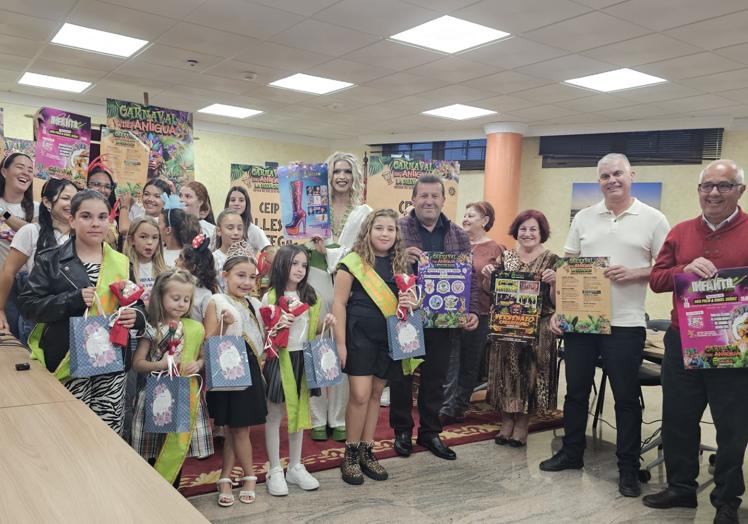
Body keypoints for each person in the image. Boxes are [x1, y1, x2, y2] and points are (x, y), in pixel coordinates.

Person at [539, 153, 670, 499]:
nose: (612, 180)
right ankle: (571, 453)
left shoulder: (654, 219)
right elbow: (570, 268)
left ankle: (628, 468)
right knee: (576, 393)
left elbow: (669, 270)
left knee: (626, 399)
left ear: (632, 175)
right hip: (582, 323)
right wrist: (559, 309)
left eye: (618, 174)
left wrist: (636, 272)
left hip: (626, 325)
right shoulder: (583, 217)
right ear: (599, 180)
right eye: (605, 176)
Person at [644, 159, 748, 523]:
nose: (714, 193)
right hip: (682, 342)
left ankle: (727, 500)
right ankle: (681, 488)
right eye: (707, 186)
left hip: (733, 346)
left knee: (732, 426)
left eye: (724, 186)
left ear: (740, 191)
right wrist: (681, 272)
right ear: (699, 191)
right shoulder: (681, 231)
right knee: (678, 419)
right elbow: (656, 278)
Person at [18, 190, 146, 434]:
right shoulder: (50, 260)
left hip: (110, 360)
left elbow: (136, 304)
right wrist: (72, 299)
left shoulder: (120, 261)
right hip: (67, 358)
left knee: (107, 432)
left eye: (101, 217)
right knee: (69, 430)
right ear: (72, 220)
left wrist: (136, 317)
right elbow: (28, 305)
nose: (95, 223)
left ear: (109, 220)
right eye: (86, 216)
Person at [390, 174, 480, 461]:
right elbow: (378, 263)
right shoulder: (397, 229)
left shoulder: (458, 234)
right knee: (402, 376)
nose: (429, 201)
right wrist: (401, 257)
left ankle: (430, 432)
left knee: (435, 376)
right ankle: (402, 430)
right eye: (423, 196)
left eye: (435, 196)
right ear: (413, 199)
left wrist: (472, 310)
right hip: (405, 314)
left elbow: (470, 277)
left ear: (443, 199)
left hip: (443, 319)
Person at [333, 209, 415, 485]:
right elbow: (339, 304)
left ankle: (368, 451)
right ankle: (351, 455)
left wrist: (411, 303)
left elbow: (412, 302)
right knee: (359, 394)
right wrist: (340, 344)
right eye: (378, 228)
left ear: (396, 234)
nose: (384, 234)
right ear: (367, 231)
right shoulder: (352, 263)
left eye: (390, 229)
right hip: (358, 336)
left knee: (376, 393)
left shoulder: (401, 264)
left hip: (388, 339)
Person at [308, 152, 373, 442]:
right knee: (316, 344)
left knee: (343, 347)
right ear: (328, 176)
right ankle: (318, 417)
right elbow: (302, 243)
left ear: (355, 176)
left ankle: (338, 417)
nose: (342, 176)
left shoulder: (364, 212)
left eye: (347, 171)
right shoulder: (311, 207)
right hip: (315, 279)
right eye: (336, 171)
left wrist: (331, 252)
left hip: (348, 283)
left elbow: (362, 249)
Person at [261, 245, 336, 496]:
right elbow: (264, 335)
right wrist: (278, 326)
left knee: (300, 412)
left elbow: (311, 331)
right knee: (274, 415)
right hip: (278, 359)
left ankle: (295, 465)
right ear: (282, 264)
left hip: (303, 358)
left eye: (304, 265)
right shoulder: (270, 296)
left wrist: (326, 324)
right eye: (295, 264)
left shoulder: (311, 296)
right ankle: (274, 469)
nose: (300, 270)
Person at [130, 269, 213, 487]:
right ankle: (150, 491)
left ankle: (173, 491)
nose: (181, 304)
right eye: (175, 298)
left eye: (186, 299)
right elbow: (137, 363)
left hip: (185, 396)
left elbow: (203, 356)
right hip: (156, 395)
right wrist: (161, 364)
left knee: (177, 447)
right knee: (154, 447)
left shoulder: (195, 328)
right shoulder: (152, 328)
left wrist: (198, 364)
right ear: (160, 296)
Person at [483, 210, 558, 447]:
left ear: (541, 232)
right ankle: (506, 422)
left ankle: (523, 424)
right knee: (506, 374)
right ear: (516, 231)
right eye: (523, 229)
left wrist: (555, 281)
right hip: (507, 326)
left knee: (531, 375)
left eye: (533, 229)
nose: (527, 234)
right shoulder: (506, 257)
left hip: (539, 327)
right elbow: (490, 290)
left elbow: (558, 302)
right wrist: (487, 275)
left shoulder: (552, 260)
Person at [205, 245, 267, 507]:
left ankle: (225, 476)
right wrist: (225, 323)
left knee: (235, 428)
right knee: (239, 428)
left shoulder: (253, 303)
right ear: (225, 275)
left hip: (251, 369)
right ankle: (250, 476)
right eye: (240, 275)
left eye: (252, 277)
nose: (247, 282)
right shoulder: (216, 301)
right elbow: (209, 342)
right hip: (228, 369)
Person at [440, 201, 504, 425]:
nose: (465, 219)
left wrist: (491, 274)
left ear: (485, 221)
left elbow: (502, 286)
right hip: (451, 310)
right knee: (450, 359)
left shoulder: (496, 249)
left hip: (481, 311)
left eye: (471, 216)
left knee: (470, 361)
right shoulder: (454, 243)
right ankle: (445, 407)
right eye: (464, 215)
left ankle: (459, 406)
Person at [0, 179, 76, 343]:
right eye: (65, 198)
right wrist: (0, 309)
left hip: (71, 315)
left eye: (76, 199)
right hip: (37, 316)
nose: (72, 203)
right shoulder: (32, 231)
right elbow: (8, 271)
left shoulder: (81, 236)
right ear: (47, 202)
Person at [0, 152, 39, 338]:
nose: (26, 173)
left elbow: (32, 231)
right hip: (3, 282)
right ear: (4, 171)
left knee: (26, 339)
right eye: (20, 167)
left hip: (29, 285)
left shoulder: (38, 208)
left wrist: (4, 214)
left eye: (30, 170)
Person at [124, 216, 167, 306]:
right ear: (131, 240)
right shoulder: (124, 268)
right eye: (143, 237)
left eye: (155, 237)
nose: (150, 242)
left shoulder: (165, 270)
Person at [178, 234, 219, 323]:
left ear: (193, 267)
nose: (175, 261)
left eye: (181, 258)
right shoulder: (174, 286)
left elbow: (209, 327)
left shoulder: (206, 295)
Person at [224, 185, 271, 255]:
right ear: (227, 203)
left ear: (246, 204)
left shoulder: (254, 230)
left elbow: (270, 253)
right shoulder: (220, 228)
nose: (236, 203)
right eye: (233, 200)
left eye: (241, 200)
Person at [212, 209, 245, 292]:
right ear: (219, 231)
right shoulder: (213, 259)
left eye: (240, 228)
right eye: (230, 228)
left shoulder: (248, 259)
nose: (236, 232)